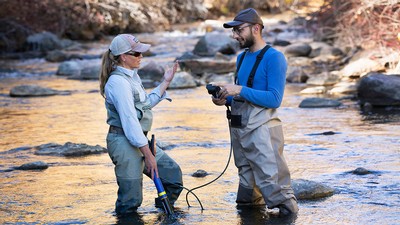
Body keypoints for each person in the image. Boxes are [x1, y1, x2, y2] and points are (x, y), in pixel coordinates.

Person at [211, 8, 299, 217]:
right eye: (233, 31)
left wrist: (239, 89)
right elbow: (242, 97)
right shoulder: (241, 58)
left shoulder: (275, 58)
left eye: (239, 30)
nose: (234, 35)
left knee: (275, 187)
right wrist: (224, 99)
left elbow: (274, 99)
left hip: (264, 132)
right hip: (241, 130)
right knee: (247, 193)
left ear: (256, 28)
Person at [99, 33, 183, 215]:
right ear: (123, 57)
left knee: (173, 177)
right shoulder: (118, 83)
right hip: (123, 142)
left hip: (139, 140)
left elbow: (144, 105)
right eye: (136, 54)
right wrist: (149, 155)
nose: (141, 57)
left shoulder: (132, 77)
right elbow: (130, 122)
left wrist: (166, 81)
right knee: (131, 200)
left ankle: (163, 216)